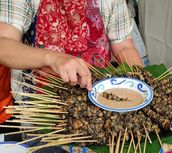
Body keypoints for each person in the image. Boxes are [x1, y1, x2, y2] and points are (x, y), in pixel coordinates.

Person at [0, 0, 143, 124]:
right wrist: (53, 58)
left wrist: (141, 82)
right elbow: (4, 45)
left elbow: (123, 46)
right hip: (42, 111)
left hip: (98, 107)